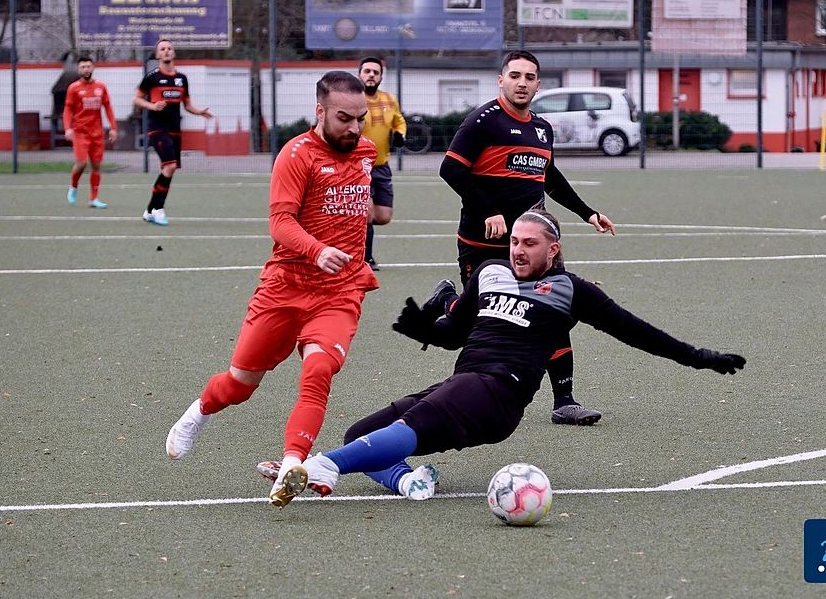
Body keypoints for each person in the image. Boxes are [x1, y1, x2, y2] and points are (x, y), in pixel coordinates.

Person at [267, 207, 745, 506]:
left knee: (393, 433)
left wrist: (699, 357)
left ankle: (321, 465)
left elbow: (638, 333)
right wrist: (428, 320)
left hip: (500, 394)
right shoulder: (491, 272)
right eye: (514, 241)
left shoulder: (571, 290)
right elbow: (453, 335)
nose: (517, 250)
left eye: (529, 244)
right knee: (362, 434)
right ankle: (408, 482)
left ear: (553, 249)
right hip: (466, 381)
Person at [164, 70, 379, 508]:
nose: (354, 128)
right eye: (344, 118)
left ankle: (290, 465)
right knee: (240, 384)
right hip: (285, 287)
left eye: (361, 118)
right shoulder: (295, 155)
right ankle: (197, 413)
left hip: (340, 290)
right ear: (319, 111)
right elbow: (280, 222)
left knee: (318, 370)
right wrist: (317, 250)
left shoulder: (367, 152)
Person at [435, 50, 617, 427]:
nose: (522, 82)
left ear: (538, 84)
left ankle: (564, 401)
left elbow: (550, 177)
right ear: (500, 80)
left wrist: (588, 213)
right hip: (484, 241)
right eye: (514, 75)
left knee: (554, 312)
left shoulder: (541, 128)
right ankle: (450, 301)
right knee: (487, 322)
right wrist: (489, 210)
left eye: (529, 77)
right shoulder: (483, 121)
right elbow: (450, 168)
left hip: (533, 245)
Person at [133, 38, 213, 226]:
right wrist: (152, 106)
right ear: (158, 54)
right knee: (169, 166)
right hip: (157, 129)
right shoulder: (151, 77)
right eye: (163, 49)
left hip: (175, 130)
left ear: (174, 53)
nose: (167, 51)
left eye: (169, 48)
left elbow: (187, 104)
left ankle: (149, 210)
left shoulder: (182, 79)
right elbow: (137, 100)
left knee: (168, 169)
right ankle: (158, 209)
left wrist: (199, 111)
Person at [358, 56, 407, 271]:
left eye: (375, 72)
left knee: (383, 216)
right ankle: (365, 259)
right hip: (358, 166)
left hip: (382, 166)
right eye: (367, 71)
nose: (371, 75)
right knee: (366, 214)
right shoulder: (353, 99)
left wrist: (399, 134)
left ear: (380, 77)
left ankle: (349, 223)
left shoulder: (389, 99)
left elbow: (399, 120)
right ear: (359, 74)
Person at [63, 56, 117, 209]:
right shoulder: (73, 88)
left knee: (96, 166)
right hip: (80, 132)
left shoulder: (101, 87)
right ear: (79, 69)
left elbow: (108, 107)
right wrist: (68, 128)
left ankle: (94, 199)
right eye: (82, 67)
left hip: (97, 133)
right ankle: (73, 186)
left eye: (88, 66)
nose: (86, 69)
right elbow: (67, 109)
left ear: (93, 68)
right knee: (81, 163)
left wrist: (113, 127)